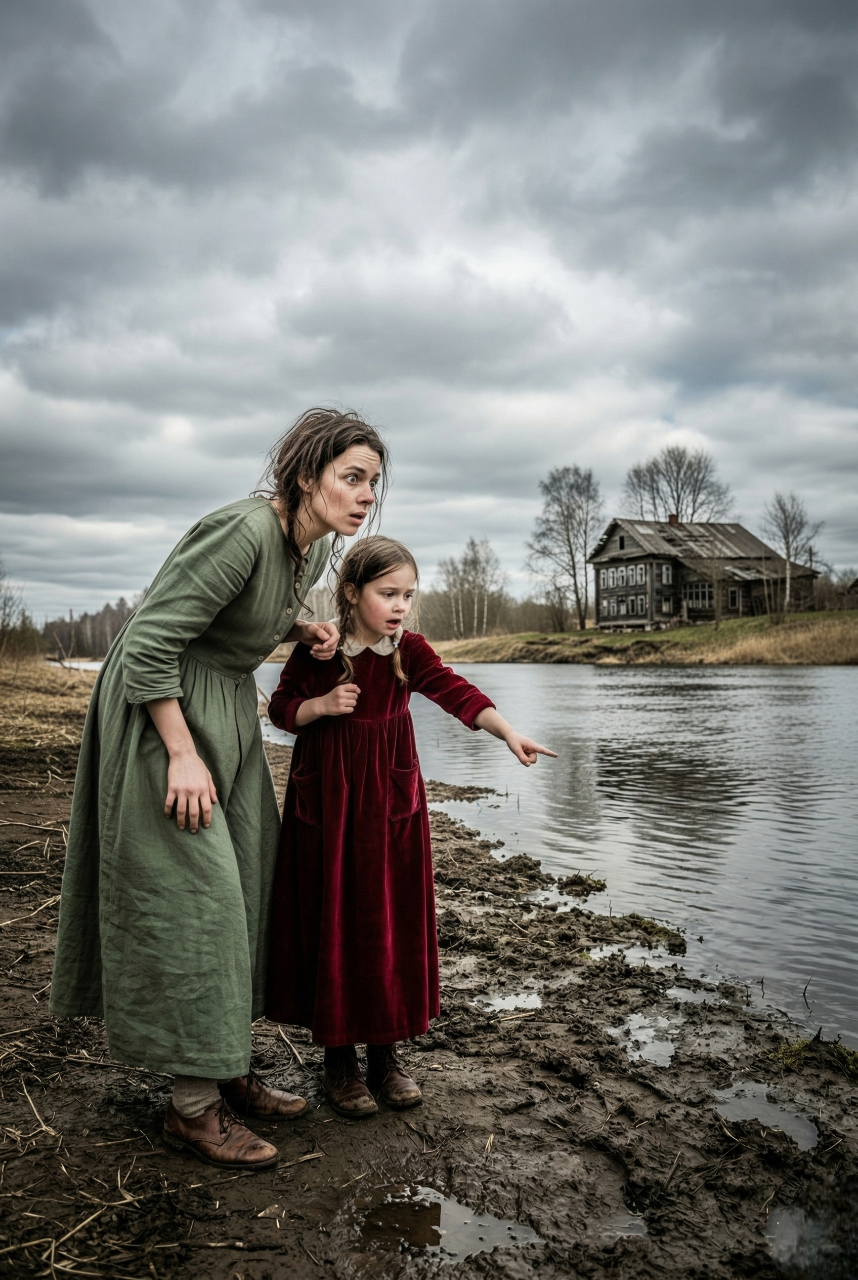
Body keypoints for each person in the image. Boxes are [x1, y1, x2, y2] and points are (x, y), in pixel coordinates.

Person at [51, 408, 388, 1171]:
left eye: (372, 481)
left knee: (245, 891)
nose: (365, 495)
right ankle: (192, 1111)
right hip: (164, 717)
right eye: (351, 477)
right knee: (197, 901)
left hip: (227, 715)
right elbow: (149, 641)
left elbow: (238, 620)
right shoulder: (241, 530)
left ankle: (222, 1063)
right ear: (306, 476)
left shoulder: (308, 548)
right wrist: (179, 753)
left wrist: (301, 631)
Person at [265, 536, 556, 1117]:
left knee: (386, 920)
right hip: (326, 805)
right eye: (387, 593)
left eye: (408, 595)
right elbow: (280, 711)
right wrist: (320, 707)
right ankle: (339, 1063)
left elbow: (458, 692)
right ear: (351, 593)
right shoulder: (322, 653)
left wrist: (507, 732)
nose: (400, 605)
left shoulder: (408, 651)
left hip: (390, 809)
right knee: (335, 918)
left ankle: (387, 1057)